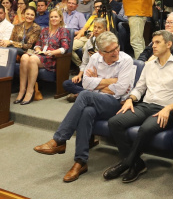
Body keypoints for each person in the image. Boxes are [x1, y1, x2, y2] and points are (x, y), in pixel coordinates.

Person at [34, 31, 136, 181]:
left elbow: (121, 89)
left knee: (84, 95)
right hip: (96, 100)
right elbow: (86, 83)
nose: (116, 53)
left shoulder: (126, 60)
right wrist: (110, 81)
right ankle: (80, 162)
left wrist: (98, 82)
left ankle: (60, 140)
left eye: (117, 48)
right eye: (111, 51)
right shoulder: (95, 58)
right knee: (87, 111)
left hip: (115, 103)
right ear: (101, 52)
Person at [103, 30, 173, 183]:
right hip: (145, 105)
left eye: (157, 42)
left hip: (165, 110)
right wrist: (130, 98)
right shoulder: (148, 65)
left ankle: (126, 164)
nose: (153, 46)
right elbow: (139, 88)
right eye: (152, 42)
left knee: (145, 128)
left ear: (169, 44)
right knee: (114, 122)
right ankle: (136, 163)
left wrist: (169, 108)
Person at [16, 9, 70, 105]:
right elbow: (38, 44)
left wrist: (52, 52)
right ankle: (21, 90)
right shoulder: (45, 30)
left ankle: (30, 91)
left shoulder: (63, 31)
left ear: (61, 18)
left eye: (56, 17)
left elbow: (64, 48)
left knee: (32, 59)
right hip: (41, 55)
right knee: (24, 57)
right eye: (51, 17)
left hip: (53, 58)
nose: (53, 19)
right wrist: (37, 49)